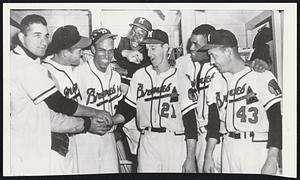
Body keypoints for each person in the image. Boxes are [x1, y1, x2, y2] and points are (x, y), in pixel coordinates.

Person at [10, 14, 112, 175]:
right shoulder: (28, 67)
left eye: (45, 35)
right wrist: (91, 119)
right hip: (38, 147)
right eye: (37, 36)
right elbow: (59, 104)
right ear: (22, 37)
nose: (43, 41)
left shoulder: (33, 62)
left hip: (49, 141)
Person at [176, 24, 272, 173]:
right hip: (205, 136)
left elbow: (240, 66)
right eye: (191, 43)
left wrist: (254, 63)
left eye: (197, 44)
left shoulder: (222, 65)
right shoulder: (185, 63)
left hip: (228, 135)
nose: (192, 49)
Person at [112, 29, 198, 172]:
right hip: (147, 140)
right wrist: (112, 120)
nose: (149, 53)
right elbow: (128, 108)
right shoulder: (139, 76)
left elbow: (190, 122)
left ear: (166, 48)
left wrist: (190, 158)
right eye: (147, 49)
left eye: (153, 48)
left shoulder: (181, 78)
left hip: (174, 141)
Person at [202, 29, 282, 174]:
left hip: (255, 147)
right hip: (227, 147)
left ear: (228, 52)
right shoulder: (216, 81)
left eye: (214, 56)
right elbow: (213, 123)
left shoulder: (261, 75)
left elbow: (277, 120)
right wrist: (208, 155)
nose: (212, 62)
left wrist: (272, 158)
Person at [42, 25, 110, 174]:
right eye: (79, 49)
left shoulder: (70, 66)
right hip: (55, 145)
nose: (83, 52)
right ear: (66, 52)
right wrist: (93, 115)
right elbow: (58, 113)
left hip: (72, 138)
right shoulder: (47, 72)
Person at [73, 28, 122, 173]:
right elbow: (70, 108)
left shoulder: (116, 76)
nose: (107, 55)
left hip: (109, 137)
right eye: (102, 50)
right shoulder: (78, 73)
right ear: (93, 49)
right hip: (86, 138)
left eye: (111, 50)